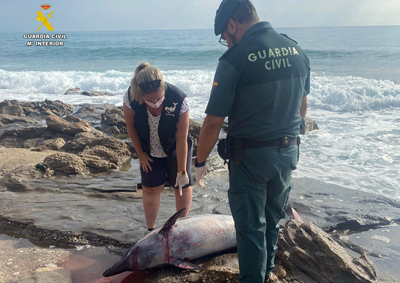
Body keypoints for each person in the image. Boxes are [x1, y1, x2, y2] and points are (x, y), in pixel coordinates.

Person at [195, 0, 310, 282]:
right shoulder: (296, 50)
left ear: (232, 24)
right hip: (287, 152)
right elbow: (302, 106)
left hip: (250, 158)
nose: (227, 42)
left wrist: (199, 162)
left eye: (225, 36)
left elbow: (212, 121)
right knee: (272, 220)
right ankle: (267, 272)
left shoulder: (234, 59)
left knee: (249, 228)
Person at [123, 62, 193, 234]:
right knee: (150, 187)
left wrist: (182, 172)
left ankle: (181, 228)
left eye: (158, 98)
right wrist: (141, 155)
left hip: (175, 147)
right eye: (149, 100)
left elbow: (181, 138)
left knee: (181, 186)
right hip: (149, 148)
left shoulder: (179, 99)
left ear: (163, 87)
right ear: (140, 94)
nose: (155, 102)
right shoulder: (131, 98)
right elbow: (131, 127)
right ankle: (150, 230)